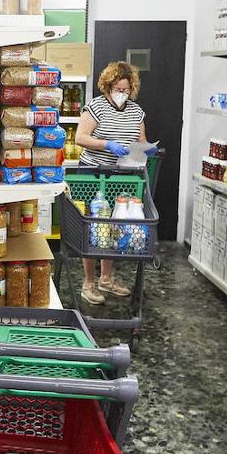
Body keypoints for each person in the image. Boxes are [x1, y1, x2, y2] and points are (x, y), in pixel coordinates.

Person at [74, 60, 153, 305]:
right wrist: (107, 144)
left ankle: (106, 279)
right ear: (107, 87)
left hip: (121, 176)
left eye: (126, 90)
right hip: (93, 173)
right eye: (118, 89)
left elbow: (142, 142)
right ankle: (88, 282)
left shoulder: (136, 111)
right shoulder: (95, 107)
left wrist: (146, 151)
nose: (122, 94)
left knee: (114, 226)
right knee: (94, 225)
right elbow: (80, 138)